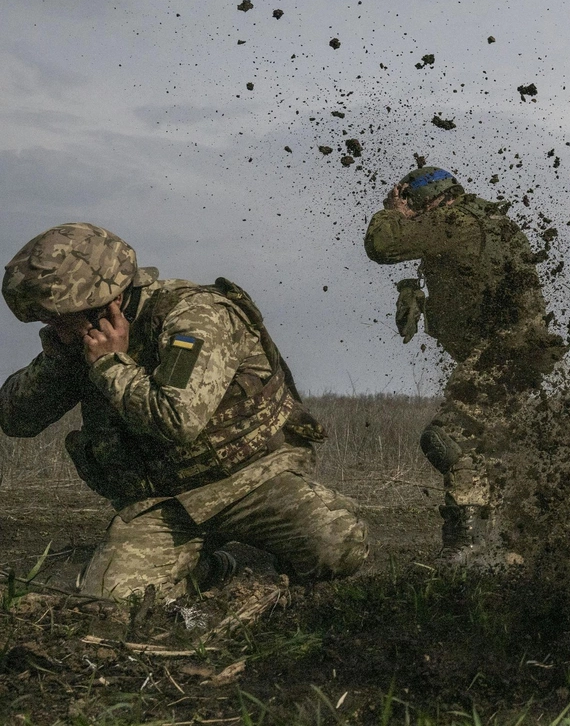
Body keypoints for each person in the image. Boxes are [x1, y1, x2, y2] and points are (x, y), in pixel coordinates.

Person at [0, 223, 368, 601]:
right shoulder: (84, 340)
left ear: (101, 302)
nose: (54, 328)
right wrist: (62, 360)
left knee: (339, 546)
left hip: (251, 480)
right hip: (166, 502)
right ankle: (216, 567)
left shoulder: (195, 315)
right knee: (113, 599)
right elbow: (15, 419)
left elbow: (178, 419)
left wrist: (111, 365)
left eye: (59, 317)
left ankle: (262, 561)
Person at [364, 165, 565, 563]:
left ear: (425, 198)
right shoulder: (485, 219)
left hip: (504, 355)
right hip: (516, 355)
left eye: (412, 202)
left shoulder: (454, 219)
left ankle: (469, 545)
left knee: (449, 439)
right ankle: (508, 548)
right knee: (490, 451)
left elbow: (382, 245)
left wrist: (392, 211)